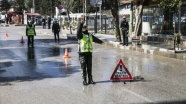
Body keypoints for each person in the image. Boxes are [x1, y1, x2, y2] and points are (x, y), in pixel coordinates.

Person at [76, 16, 103, 86]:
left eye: (85, 27)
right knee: (83, 67)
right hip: (82, 53)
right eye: (83, 28)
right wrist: (81, 23)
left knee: (89, 67)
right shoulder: (80, 35)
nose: (84, 29)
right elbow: (78, 31)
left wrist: (102, 42)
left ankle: (90, 79)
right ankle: (84, 80)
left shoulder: (90, 35)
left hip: (89, 54)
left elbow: (96, 39)